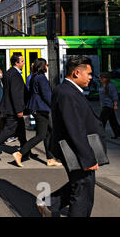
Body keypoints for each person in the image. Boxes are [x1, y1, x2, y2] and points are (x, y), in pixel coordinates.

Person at [37, 56, 106, 217]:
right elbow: (74, 128)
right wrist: (88, 158)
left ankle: (49, 203)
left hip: (75, 148)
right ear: (76, 73)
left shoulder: (69, 90)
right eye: (88, 73)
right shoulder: (66, 93)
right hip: (74, 150)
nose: (90, 77)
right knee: (82, 192)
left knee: (82, 184)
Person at [12, 58, 62, 167]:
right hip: (42, 109)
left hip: (38, 108)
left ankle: (50, 158)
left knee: (48, 133)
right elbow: (47, 96)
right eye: (46, 65)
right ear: (43, 66)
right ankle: (19, 153)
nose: (47, 67)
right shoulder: (41, 78)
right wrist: (55, 106)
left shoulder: (35, 77)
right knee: (41, 135)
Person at [0, 53, 28, 149]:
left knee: (21, 131)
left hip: (11, 107)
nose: (23, 63)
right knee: (8, 130)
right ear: (16, 63)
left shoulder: (9, 72)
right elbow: (15, 93)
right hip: (13, 110)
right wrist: (19, 110)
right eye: (22, 61)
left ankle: (25, 151)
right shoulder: (15, 74)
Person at [99, 72, 120, 139]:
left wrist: (115, 105)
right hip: (105, 106)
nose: (100, 79)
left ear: (105, 78)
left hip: (108, 106)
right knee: (113, 121)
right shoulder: (104, 85)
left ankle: (100, 134)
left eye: (101, 78)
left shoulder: (111, 86)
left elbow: (114, 96)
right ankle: (118, 133)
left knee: (102, 120)